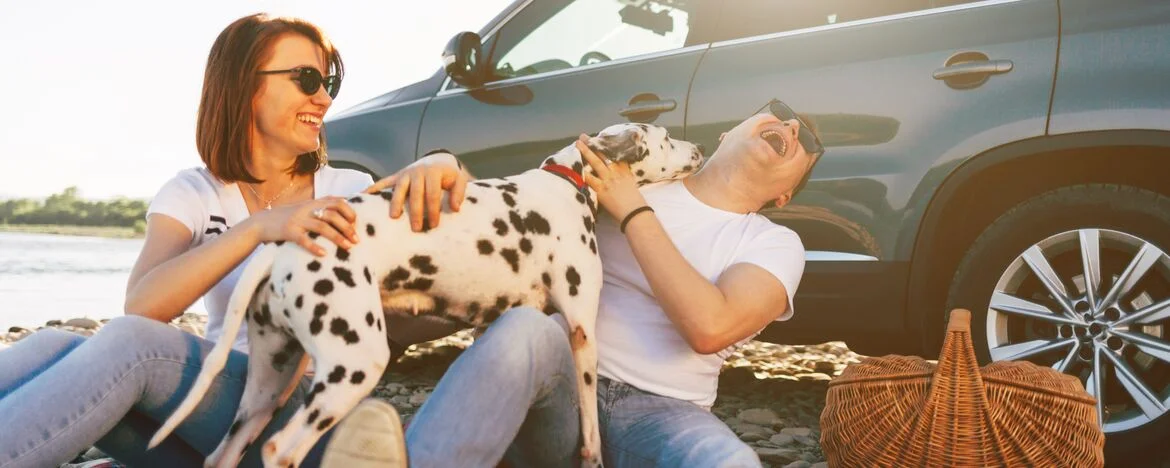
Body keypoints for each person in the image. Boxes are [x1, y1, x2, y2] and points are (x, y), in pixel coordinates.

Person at [320, 102, 825, 468]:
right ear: (728, 131)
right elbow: (510, 212)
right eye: (776, 112)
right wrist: (444, 161)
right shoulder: (632, 169)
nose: (791, 125)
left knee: (730, 462)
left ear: (784, 194)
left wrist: (630, 210)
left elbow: (711, 326)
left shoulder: (773, 242)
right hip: (553, 385)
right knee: (525, 329)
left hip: (660, 413)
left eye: (809, 143)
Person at [0, 13, 380, 468]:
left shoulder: (351, 192)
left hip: (304, 420)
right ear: (244, 86)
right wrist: (255, 229)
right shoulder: (194, 192)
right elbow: (144, 302)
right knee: (54, 347)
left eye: (328, 82)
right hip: (210, 419)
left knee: (130, 347)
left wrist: (443, 169)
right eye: (307, 78)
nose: (323, 98)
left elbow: (135, 331)